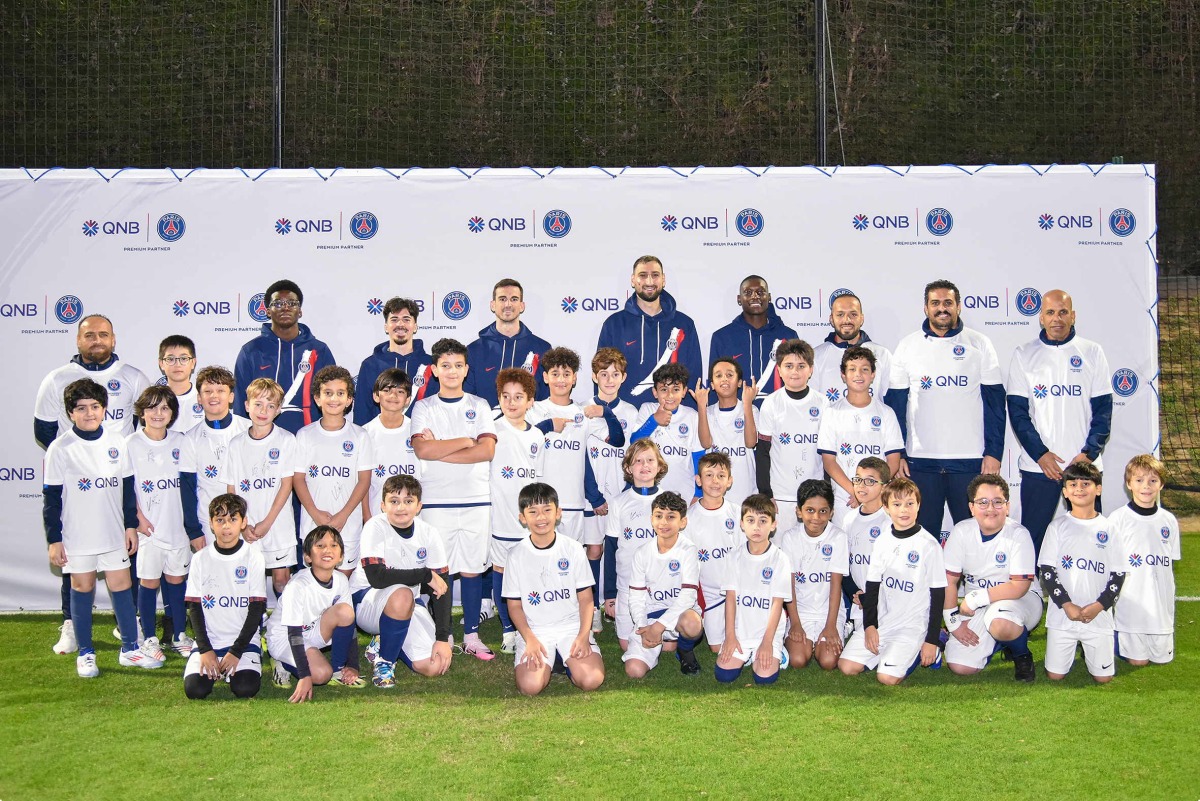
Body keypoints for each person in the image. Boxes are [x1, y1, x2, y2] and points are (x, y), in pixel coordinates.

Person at [36, 313, 149, 654]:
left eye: (103, 334)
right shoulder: (57, 379)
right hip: (76, 483)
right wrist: (77, 456)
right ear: (78, 340)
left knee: (123, 558)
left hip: (117, 477)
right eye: (89, 335)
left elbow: (146, 424)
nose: (96, 340)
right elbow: (43, 430)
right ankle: (71, 624)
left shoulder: (132, 377)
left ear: (114, 339)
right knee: (75, 556)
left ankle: (128, 627)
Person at [44, 378, 163, 677]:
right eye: (81, 408)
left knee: (121, 586)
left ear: (104, 409)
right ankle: (85, 652)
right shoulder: (60, 448)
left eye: (95, 407)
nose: (89, 413)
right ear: (71, 413)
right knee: (81, 588)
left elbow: (126, 489)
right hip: (78, 535)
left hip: (112, 533)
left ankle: (129, 649)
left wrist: (129, 526)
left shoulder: (117, 442)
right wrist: (54, 540)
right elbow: (52, 500)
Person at [886, 279, 1005, 537]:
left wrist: (994, 452)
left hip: (970, 461)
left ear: (958, 307)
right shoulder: (908, 346)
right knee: (921, 538)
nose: (942, 308)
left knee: (974, 536)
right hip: (920, 462)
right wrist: (899, 454)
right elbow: (895, 407)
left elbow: (995, 404)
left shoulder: (979, 344)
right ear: (926, 308)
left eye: (948, 303)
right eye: (936, 303)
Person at [410, 338, 498, 659]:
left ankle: (471, 635)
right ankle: (442, 636)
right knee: (439, 570)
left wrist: (441, 450)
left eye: (458, 365)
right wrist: (464, 441)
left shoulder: (480, 405)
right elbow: (422, 449)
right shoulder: (423, 407)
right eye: (445, 366)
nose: (451, 371)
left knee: (473, 569)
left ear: (466, 369)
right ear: (434, 370)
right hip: (436, 501)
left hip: (476, 499)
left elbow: (487, 450)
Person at [1007, 289, 1112, 551]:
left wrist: (1088, 454)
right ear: (1041, 317)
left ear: (1073, 316)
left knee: (1089, 539)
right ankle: (1030, 592)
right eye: (1051, 312)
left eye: (1063, 312)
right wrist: (1040, 455)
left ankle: (1089, 592)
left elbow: (1103, 412)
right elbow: (1018, 414)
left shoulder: (1092, 352)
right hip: (1039, 467)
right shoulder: (1024, 354)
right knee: (1033, 539)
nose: (1057, 318)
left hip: (1083, 467)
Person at [529, 347, 622, 614]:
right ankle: (541, 613)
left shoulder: (582, 413)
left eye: (566, 374)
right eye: (555, 373)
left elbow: (616, 440)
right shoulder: (535, 410)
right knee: (540, 560)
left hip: (573, 503)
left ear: (575, 379)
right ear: (545, 377)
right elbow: (521, 443)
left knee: (573, 563)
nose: (560, 379)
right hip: (541, 503)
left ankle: (582, 612)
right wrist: (547, 426)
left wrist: (606, 413)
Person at [838, 477, 946, 685]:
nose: (903, 510)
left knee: (886, 678)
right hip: (885, 621)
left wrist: (930, 640)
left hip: (912, 626)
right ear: (886, 508)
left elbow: (938, 595)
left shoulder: (928, 545)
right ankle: (890, 652)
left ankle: (932, 646)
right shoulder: (883, 540)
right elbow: (872, 586)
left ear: (918, 506)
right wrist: (870, 626)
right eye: (897, 505)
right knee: (846, 666)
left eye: (909, 504)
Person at [502, 482, 605, 695]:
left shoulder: (574, 549)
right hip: (536, 630)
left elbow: (586, 599)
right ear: (523, 517)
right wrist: (529, 638)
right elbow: (514, 606)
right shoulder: (516, 555)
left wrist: (583, 635)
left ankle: (563, 658)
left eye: (547, 510)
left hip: (571, 627)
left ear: (558, 513)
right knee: (530, 687)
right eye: (533, 512)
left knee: (591, 680)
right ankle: (555, 657)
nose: (541, 518)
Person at [352, 475, 453, 688]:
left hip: (408, 604)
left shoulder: (428, 533)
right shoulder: (375, 527)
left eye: (408, 501)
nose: (401, 508)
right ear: (383, 505)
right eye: (394, 501)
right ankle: (386, 662)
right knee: (402, 593)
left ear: (418, 506)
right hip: (366, 600)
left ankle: (381, 642)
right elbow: (377, 578)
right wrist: (424, 574)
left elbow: (442, 586)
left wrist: (443, 638)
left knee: (435, 665)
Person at [127, 385, 203, 660]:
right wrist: (137, 518)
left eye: (164, 408)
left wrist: (191, 524)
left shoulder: (182, 442)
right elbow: (126, 487)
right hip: (149, 528)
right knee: (148, 583)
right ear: (142, 411)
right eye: (152, 407)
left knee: (176, 579)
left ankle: (177, 634)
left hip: (177, 527)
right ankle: (148, 637)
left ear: (172, 413)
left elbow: (188, 486)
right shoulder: (131, 444)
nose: (158, 413)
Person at [942, 475, 1040, 682]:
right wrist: (953, 625)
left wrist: (976, 598)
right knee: (960, 666)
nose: (990, 508)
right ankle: (1000, 642)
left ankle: (1021, 654)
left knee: (1000, 622)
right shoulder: (961, 531)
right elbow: (949, 582)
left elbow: (1020, 586)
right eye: (982, 502)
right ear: (971, 507)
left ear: (1007, 506)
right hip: (979, 606)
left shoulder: (1018, 534)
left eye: (997, 502)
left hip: (1021, 601)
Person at [1038, 462, 1125, 683]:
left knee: (1103, 678)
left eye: (1086, 483)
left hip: (1098, 615)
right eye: (1073, 484)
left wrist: (1099, 605)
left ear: (1098, 488)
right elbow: (1047, 571)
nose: (1079, 488)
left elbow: (1118, 574)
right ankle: (1068, 649)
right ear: (1065, 492)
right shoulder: (1057, 527)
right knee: (1055, 676)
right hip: (1063, 615)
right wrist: (1067, 604)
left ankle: (1090, 649)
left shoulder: (1109, 528)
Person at [183, 494, 266, 699]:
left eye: (233, 519)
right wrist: (205, 650)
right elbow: (194, 608)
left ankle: (245, 661)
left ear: (243, 522)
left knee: (245, 688)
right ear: (211, 524)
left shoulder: (253, 556)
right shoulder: (200, 558)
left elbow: (256, 610)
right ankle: (215, 665)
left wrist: (236, 652)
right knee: (195, 690)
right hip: (210, 642)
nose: (226, 526)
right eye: (220, 520)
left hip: (243, 644)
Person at [292, 366, 373, 577]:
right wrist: (315, 513)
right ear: (317, 398)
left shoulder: (360, 436)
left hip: (348, 523)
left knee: (342, 584)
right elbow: (298, 480)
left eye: (340, 393)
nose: (333, 399)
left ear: (349, 400)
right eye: (327, 393)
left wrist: (343, 515)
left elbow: (364, 480)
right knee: (314, 583)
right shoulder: (305, 435)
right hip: (313, 521)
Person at [266, 526, 362, 699]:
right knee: (320, 675)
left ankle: (338, 670)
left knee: (346, 612)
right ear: (307, 557)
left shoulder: (340, 580)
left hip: (313, 630)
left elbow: (349, 623)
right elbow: (294, 634)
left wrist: (353, 665)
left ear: (340, 556)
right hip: (285, 638)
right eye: (320, 546)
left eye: (333, 545)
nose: (327, 550)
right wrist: (304, 675)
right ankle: (281, 662)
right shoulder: (298, 585)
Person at [597, 255, 703, 408]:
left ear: (663, 279)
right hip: (626, 419)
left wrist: (688, 416)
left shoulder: (684, 324)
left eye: (655, 275)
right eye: (642, 275)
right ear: (633, 280)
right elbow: (602, 375)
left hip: (674, 421)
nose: (649, 281)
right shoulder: (614, 324)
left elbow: (693, 375)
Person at [489, 368, 546, 653]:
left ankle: (532, 625)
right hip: (501, 519)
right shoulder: (492, 431)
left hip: (529, 522)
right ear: (498, 398)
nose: (512, 402)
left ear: (530, 401)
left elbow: (538, 480)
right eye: (506, 396)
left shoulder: (537, 436)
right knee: (501, 573)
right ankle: (508, 631)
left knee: (528, 573)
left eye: (519, 397)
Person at [234, 279, 337, 434]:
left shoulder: (319, 350)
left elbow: (332, 398)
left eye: (292, 303)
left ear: (300, 310)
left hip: (310, 439)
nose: (286, 308)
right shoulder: (251, 351)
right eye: (278, 304)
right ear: (267, 311)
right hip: (264, 439)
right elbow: (241, 403)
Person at [584, 348, 641, 626]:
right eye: (603, 374)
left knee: (619, 549)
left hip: (621, 495)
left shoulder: (631, 411)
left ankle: (617, 602)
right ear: (594, 376)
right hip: (592, 496)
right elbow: (578, 457)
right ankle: (592, 608)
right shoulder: (582, 410)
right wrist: (593, 495)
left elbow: (633, 453)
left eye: (615, 374)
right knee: (594, 551)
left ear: (624, 377)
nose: (609, 379)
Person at [225, 378, 296, 600]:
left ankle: (286, 629)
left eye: (270, 405)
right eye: (258, 404)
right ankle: (253, 628)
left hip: (277, 525)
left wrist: (267, 522)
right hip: (247, 526)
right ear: (247, 406)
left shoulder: (286, 440)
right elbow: (231, 489)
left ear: (278, 410)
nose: (263, 410)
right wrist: (242, 524)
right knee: (247, 579)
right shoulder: (236, 444)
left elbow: (287, 485)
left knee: (281, 580)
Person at [714, 493, 792, 685]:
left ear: (773, 525)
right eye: (751, 520)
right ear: (742, 524)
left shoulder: (780, 559)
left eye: (763, 520)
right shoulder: (734, 556)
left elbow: (777, 604)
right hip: (741, 630)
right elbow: (730, 599)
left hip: (767, 631)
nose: (757, 526)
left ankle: (778, 651)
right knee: (724, 676)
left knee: (764, 678)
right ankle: (747, 654)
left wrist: (767, 642)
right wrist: (730, 636)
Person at [1110, 455, 1180, 666]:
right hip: (1131, 606)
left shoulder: (1168, 520)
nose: (1146, 486)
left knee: (1161, 660)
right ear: (1129, 484)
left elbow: (1170, 561)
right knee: (1137, 662)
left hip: (1161, 608)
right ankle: (1112, 637)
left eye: (1152, 481)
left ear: (1161, 484)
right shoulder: (1118, 519)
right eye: (1139, 480)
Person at [624, 491, 704, 677]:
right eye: (659, 516)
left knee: (692, 624)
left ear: (682, 522)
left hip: (679, 617)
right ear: (651, 519)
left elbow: (688, 597)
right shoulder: (642, 553)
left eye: (671, 517)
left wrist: (659, 627)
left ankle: (684, 651)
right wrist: (644, 627)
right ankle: (656, 644)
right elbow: (636, 596)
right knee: (634, 671)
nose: (664, 522)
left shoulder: (688, 550)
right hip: (650, 618)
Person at [817, 347, 903, 510]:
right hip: (845, 498)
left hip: (878, 498)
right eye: (852, 369)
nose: (858, 374)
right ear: (843, 375)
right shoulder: (832, 412)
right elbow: (829, 461)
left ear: (873, 375)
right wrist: (855, 491)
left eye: (864, 369)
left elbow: (893, 460)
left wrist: (873, 491)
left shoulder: (886, 413)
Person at [604, 440, 669, 648]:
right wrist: (610, 595)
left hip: (660, 586)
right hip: (627, 585)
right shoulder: (618, 503)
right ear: (628, 468)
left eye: (650, 460)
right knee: (626, 645)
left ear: (659, 466)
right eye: (638, 461)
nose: (645, 465)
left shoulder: (670, 501)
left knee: (669, 646)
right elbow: (612, 549)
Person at [779, 480, 848, 671]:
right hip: (801, 611)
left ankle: (843, 628)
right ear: (799, 511)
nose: (816, 517)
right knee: (798, 660)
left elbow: (836, 585)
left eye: (823, 511)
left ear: (832, 512)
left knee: (828, 661)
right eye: (810, 510)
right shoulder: (790, 538)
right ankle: (806, 641)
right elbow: (789, 585)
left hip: (829, 611)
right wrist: (795, 624)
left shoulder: (838, 537)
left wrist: (831, 626)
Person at [754, 340, 823, 524]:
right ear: (779, 369)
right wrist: (766, 493)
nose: (795, 372)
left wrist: (825, 491)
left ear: (811, 369)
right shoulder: (771, 403)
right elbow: (762, 452)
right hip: (780, 496)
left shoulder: (823, 403)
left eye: (801, 366)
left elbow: (828, 453)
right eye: (789, 366)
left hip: (814, 494)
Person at [707, 275, 799, 400]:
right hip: (736, 416)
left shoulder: (788, 336)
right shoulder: (722, 337)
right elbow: (715, 384)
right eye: (748, 292)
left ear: (769, 297)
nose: (755, 296)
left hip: (779, 414)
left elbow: (798, 381)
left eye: (760, 292)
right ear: (739, 299)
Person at [186, 366, 251, 542]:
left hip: (248, 521)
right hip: (210, 525)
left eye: (221, 390)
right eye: (207, 391)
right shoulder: (191, 438)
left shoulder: (249, 429)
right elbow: (187, 488)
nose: (214, 396)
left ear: (231, 396)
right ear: (199, 398)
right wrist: (194, 531)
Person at [463, 279, 551, 408]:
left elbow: (546, 399)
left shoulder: (542, 348)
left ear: (522, 306)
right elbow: (468, 399)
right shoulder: (474, 350)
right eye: (502, 299)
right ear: (493, 305)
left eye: (514, 299)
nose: (508, 304)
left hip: (530, 426)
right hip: (487, 426)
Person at [687, 452, 741, 653]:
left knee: (745, 637)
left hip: (737, 592)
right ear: (698, 480)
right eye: (709, 475)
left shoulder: (738, 514)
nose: (715, 481)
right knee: (716, 647)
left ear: (730, 481)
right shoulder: (689, 518)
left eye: (721, 475)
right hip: (710, 596)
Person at [354, 297, 437, 425]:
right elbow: (362, 411)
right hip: (380, 442)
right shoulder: (370, 365)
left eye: (406, 319)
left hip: (423, 440)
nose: (400, 324)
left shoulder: (431, 365)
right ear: (386, 327)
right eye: (394, 319)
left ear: (415, 326)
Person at [629, 363, 702, 499]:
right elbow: (634, 443)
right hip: (652, 492)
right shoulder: (648, 409)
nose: (669, 395)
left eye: (675, 389)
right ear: (655, 392)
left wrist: (698, 494)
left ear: (684, 391)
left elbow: (698, 456)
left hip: (685, 492)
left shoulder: (692, 415)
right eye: (663, 389)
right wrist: (654, 420)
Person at [694, 357, 759, 508]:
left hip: (746, 492)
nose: (724, 379)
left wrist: (748, 404)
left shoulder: (751, 409)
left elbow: (750, 442)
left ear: (739, 382)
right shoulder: (707, 412)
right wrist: (701, 406)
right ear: (712, 385)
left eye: (730, 375)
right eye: (718, 375)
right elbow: (705, 443)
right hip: (716, 492)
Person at [840, 457, 891, 638]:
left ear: (884, 486)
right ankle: (853, 623)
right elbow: (844, 564)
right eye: (858, 479)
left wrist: (873, 597)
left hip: (887, 603)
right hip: (860, 601)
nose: (862, 485)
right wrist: (855, 593)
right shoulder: (849, 519)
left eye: (870, 481)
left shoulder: (889, 520)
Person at [361, 369, 422, 520]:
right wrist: (367, 517)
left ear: (408, 399)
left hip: (414, 519)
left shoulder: (418, 431)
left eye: (400, 391)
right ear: (376, 396)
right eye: (387, 390)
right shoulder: (364, 434)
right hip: (377, 516)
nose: (393, 396)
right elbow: (361, 484)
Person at [811, 292, 893, 404]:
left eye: (853, 314)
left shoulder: (882, 354)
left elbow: (891, 402)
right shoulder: (815, 356)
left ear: (861, 318)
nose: (847, 320)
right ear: (831, 319)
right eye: (840, 314)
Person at [157, 334, 205, 432]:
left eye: (183, 359)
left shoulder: (205, 398)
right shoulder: (153, 400)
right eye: (170, 359)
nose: (177, 364)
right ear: (161, 363)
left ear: (193, 363)